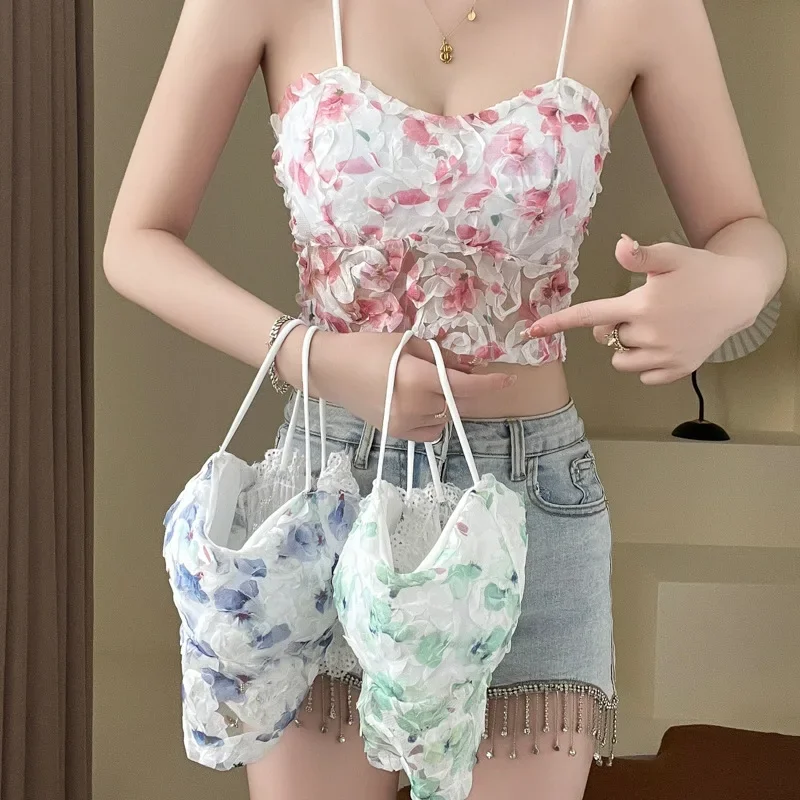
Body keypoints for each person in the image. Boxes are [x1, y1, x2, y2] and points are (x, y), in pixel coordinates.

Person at [103, 0, 787, 798]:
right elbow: (135, 240)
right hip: (326, 493)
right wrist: (312, 356)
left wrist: (736, 285)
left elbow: (744, 227)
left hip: (528, 498)